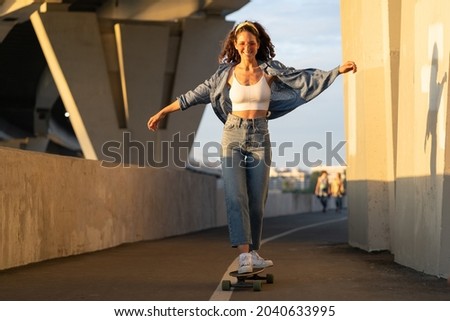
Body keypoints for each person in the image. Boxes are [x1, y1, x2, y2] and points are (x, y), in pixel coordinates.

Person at [147, 20, 357, 273]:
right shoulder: (224, 75)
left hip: (260, 137)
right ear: (235, 45)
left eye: (252, 43)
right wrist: (162, 113)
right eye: (243, 42)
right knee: (236, 196)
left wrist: (336, 71)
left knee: (257, 200)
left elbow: (304, 79)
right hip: (232, 136)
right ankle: (244, 256)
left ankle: (253, 252)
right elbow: (192, 96)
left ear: (258, 45)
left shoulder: (270, 71)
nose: (248, 46)